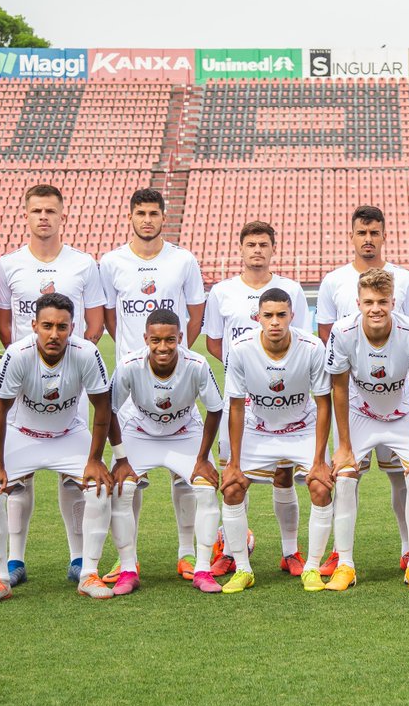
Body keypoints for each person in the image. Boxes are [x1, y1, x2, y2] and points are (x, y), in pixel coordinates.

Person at [0, 183, 106, 586]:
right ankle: (13, 561)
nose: (44, 217)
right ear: (26, 215)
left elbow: (95, 322)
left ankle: (79, 559)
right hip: (26, 379)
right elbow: (4, 321)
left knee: (73, 475)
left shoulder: (83, 263)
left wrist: (71, 361)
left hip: (69, 380)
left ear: (62, 216)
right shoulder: (8, 264)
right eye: (36, 210)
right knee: (16, 480)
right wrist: (28, 361)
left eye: (50, 211)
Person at [0, 293, 114, 604]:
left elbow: (103, 408)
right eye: (47, 326)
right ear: (34, 325)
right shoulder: (17, 354)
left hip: (68, 434)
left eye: (62, 327)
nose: (54, 334)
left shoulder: (87, 353)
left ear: (72, 327)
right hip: (22, 434)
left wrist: (94, 459)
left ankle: (88, 573)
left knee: (100, 488)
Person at [99, 188, 207, 583]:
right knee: (128, 477)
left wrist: (175, 356)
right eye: (141, 213)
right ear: (131, 216)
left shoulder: (183, 260)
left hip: (176, 381)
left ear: (165, 217)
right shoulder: (111, 262)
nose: (147, 219)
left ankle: (186, 553)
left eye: (154, 213)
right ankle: (128, 559)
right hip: (131, 387)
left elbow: (196, 313)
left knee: (187, 475)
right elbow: (110, 316)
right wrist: (137, 357)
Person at [203, 220, 319, 576]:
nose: (257, 250)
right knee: (234, 475)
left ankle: (290, 552)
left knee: (284, 476)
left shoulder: (291, 289)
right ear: (240, 249)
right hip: (242, 398)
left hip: (285, 400)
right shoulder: (223, 291)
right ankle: (231, 548)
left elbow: (301, 338)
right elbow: (214, 341)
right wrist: (247, 369)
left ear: (273, 249)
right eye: (250, 244)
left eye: (263, 244)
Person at [317, 206, 409, 573]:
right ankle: (340, 554)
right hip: (358, 401)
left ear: (383, 235)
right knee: (347, 475)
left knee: (404, 476)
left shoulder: (405, 280)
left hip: (399, 403)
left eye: (374, 233)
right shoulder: (334, 281)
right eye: (361, 233)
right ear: (351, 236)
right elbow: (328, 342)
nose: (368, 239)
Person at [217, 288, 335, 593]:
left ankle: (311, 566)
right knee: (231, 487)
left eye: (281, 315)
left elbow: (324, 403)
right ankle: (243, 568)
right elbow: (235, 407)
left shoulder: (311, 347)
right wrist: (234, 462)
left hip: (302, 427)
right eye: (268, 315)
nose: (274, 322)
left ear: (293, 316)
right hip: (260, 428)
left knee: (321, 487)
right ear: (258, 317)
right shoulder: (241, 348)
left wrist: (320, 461)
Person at [107, 309, 224, 595]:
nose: (163, 347)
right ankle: (127, 568)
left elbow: (215, 408)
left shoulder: (196, 364)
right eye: (156, 340)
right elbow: (107, 409)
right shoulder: (129, 365)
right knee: (122, 490)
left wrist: (201, 458)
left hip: (185, 432)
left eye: (170, 340)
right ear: (145, 338)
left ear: (180, 338)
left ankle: (200, 567)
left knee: (206, 488)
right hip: (140, 432)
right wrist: (121, 458)